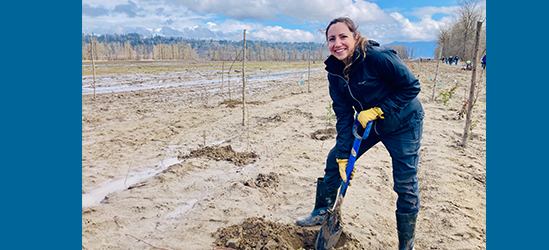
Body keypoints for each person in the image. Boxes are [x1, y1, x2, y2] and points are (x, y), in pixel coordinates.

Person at [295, 17, 424, 250]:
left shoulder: (377, 58)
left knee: (404, 183)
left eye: (343, 36)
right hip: (369, 124)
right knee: (335, 158)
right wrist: (344, 155)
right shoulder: (334, 71)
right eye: (331, 39)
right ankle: (322, 211)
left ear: (355, 37)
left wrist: (379, 109)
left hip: (404, 122)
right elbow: (344, 115)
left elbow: (412, 87)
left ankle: (407, 244)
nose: (338, 43)